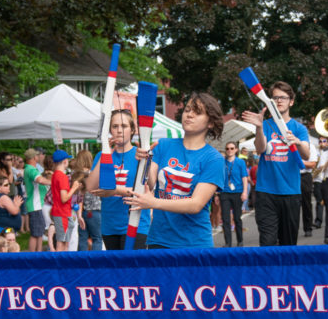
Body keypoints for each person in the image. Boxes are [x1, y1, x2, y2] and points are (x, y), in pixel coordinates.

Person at [127, 93, 224, 249]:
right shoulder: (164, 145)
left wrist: (153, 202)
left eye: (197, 112)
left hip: (194, 244)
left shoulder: (214, 159)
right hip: (159, 240)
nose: (189, 114)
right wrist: (145, 161)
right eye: (187, 109)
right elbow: (151, 184)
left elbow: (196, 204)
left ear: (211, 123)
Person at [241, 82, 311, 246]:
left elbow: (306, 154)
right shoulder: (265, 125)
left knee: (288, 244)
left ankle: (286, 272)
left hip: (290, 192)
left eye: (283, 98)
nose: (279, 101)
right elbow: (260, 149)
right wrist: (258, 128)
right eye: (275, 98)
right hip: (266, 193)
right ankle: (268, 272)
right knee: (267, 242)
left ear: (291, 101)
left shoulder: (299, 128)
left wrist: (298, 142)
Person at [85, 109, 152, 250]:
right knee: (117, 270)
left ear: (132, 130)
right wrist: (106, 155)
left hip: (136, 223)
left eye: (124, 126)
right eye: (115, 127)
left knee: (132, 269)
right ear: (110, 130)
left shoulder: (140, 154)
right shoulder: (102, 155)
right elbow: (90, 187)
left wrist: (147, 160)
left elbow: (149, 188)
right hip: (110, 226)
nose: (119, 131)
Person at [49, 150, 81, 251]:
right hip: (62, 213)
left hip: (61, 212)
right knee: (61, 243)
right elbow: (64, 198)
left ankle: (63, 264)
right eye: (67, 159)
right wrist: (74, 187)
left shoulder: (55, 175)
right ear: (64, 161)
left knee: (65, 243)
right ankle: (59, 265)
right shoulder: (62, 176)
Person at [218, 141, 248, 247]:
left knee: (237, 218)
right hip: (224, 192)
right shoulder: (222, 162)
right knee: (225, 219)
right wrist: (217, 193)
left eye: (231, 148)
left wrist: (245, 192)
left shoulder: (240, 162)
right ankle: (228, 243)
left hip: (237, 193)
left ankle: (240, 241)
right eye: (227, 148)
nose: (229, 150)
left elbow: (244, 178)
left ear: (236, 150)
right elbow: (219, 178)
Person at [23, 148, 50, 251]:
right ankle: (32, 256)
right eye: (38, 155)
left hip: (36, 205)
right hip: (35, 205)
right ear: (34, 157)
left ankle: (38, 254)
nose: (39, 157)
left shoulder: (29, 169)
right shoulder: (31, 169)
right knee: (35, 234)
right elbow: (40, 180)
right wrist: (54, 182)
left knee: (39, 232)